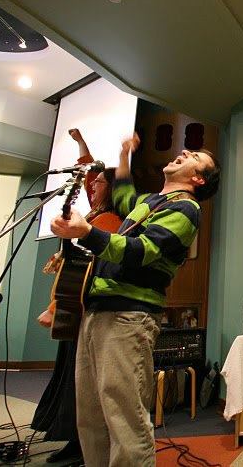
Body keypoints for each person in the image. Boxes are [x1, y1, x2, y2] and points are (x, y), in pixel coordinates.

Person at [50, 133, 220, 467]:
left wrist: (87, 233)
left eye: (195, 156)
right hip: (97, 311)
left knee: (124, 416)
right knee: (91, 415)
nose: (184, 151)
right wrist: (124, 155)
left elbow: (141, 252)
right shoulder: (150, 203)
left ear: (197, 179)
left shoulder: (187, 210)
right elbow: (125, 194)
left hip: (130, 316)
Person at [32, 128, 122, 464]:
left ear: (111, 187)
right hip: (76, 311)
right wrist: (81, 142)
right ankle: (74, 440)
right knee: (70, 376)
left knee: (80, 382)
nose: (91, 184)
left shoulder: (109, 220)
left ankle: (81, 444)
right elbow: (85, 169)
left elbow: (93, 267)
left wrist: (56, 303)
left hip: (88, 310)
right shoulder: (93, 214)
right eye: (91, 181)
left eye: (99, 182)